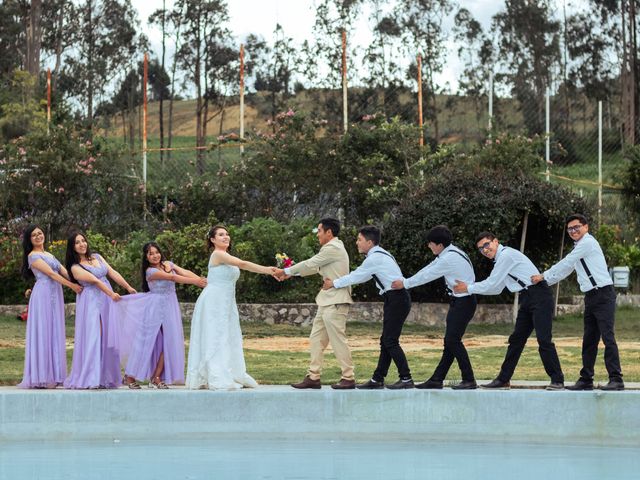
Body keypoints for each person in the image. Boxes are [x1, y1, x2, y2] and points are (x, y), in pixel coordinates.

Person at [453, 232, 565, 391]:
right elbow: (497, 288)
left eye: (487, 245)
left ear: (496, 242)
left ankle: (557, 380)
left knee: (544, 339)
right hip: (527, 297)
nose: (485, 250)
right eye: (480, 249)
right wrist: (470, 289)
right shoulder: (500, 260)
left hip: (539, 295)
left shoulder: (506, 256)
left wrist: (468, 288)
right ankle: (503, 379)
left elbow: (491, 284)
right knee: (516, 340)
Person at [531, 214, 624, 391]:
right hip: (590, 297)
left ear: (586, 227)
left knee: (607, 337)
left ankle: (616, 379)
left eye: (576, 227)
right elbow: (566, 269)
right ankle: (586, 379)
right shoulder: (579, 247)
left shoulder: (588, 243)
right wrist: (545, 282)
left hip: (603, 294)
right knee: (589, 339)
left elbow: (567, 261)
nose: (573, 231)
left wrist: (544, 275)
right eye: (570, 229)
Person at [185, 225, 275, 390]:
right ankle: (216, 374)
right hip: (214, 301)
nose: (226, 237)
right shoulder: (218, 254)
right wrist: (268, 270)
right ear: (212, 240)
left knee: (227, 335)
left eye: (227, 234)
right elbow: (243, 264)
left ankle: (232, 371)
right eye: (221, 235)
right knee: (215, 335)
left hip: (226, 302)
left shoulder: (226, 255)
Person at [324, 225, 414, 390]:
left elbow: (357, 276)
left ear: (370, 242)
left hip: (397, 299)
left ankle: (406, 378)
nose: (357, 243)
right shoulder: (379, 255)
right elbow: (362, 275)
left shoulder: (375, 258)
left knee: (390, 341)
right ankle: (377, 379)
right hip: (394, 298)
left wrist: (333, 284)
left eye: (359, 240)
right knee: (386, 341)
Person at [391, 225, 477, 390]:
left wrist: (405, 283)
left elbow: (428, 275)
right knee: (450, 342)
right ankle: (437, 379)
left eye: (430, 243)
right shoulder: (450, 253)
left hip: (463, 302)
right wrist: (407, 280)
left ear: (439, 245)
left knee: (453, 341)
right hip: (461, 301)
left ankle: (469, 379)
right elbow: (429, 268)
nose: (428, 246)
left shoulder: (449, 258)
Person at [274, 217, 355, 390]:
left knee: (337, 340)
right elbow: (314, 268)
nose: (317, 234)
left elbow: (311, 263)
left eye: (319, 231)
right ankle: (313, 377)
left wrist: (285, 270)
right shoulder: (329, 249)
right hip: (327, 300)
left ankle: (348, 377)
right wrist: (291, 274)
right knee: (316, 339)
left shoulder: (334, 247)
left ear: (329, 232)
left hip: (337, 301)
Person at [118, 242, 207, 389]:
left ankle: (157, 376)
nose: (154, 256)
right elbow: (172, 278)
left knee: (171, 340)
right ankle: (129, 376)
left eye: (156, 252)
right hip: (154, 306)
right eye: (150, 253)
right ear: (146, 257)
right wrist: (195, 282)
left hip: (170, 305)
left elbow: (183, 272)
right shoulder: (150, 272)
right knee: (145, 341)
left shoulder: (168, 264)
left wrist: (201, 279)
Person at [64, 231, 137, 389]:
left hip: (106, 300)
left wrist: (128, 287)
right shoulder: (75, 267)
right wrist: (111, 294)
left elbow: (112, 272)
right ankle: (91, 377)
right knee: (95, 336)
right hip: (91, 301)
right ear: (72, 247)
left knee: (108, 337)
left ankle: (106, 377)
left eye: (83, 240)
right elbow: (95, 281)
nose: (82, 244)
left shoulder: (97, 257)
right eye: (77, 242)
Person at [17, 225, 82, 389]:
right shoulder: (33, 256)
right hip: (43, 295)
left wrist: (80, 281)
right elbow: (52, 274)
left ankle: (56, 374)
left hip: (55, 294)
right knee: (44, 331)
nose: (38, 236)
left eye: (40, 233)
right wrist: (72, 287)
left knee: (55, 330)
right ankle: (43, 376)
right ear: (29, 240)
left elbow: (64, 271)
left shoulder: (49, 254)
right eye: (34, 235)